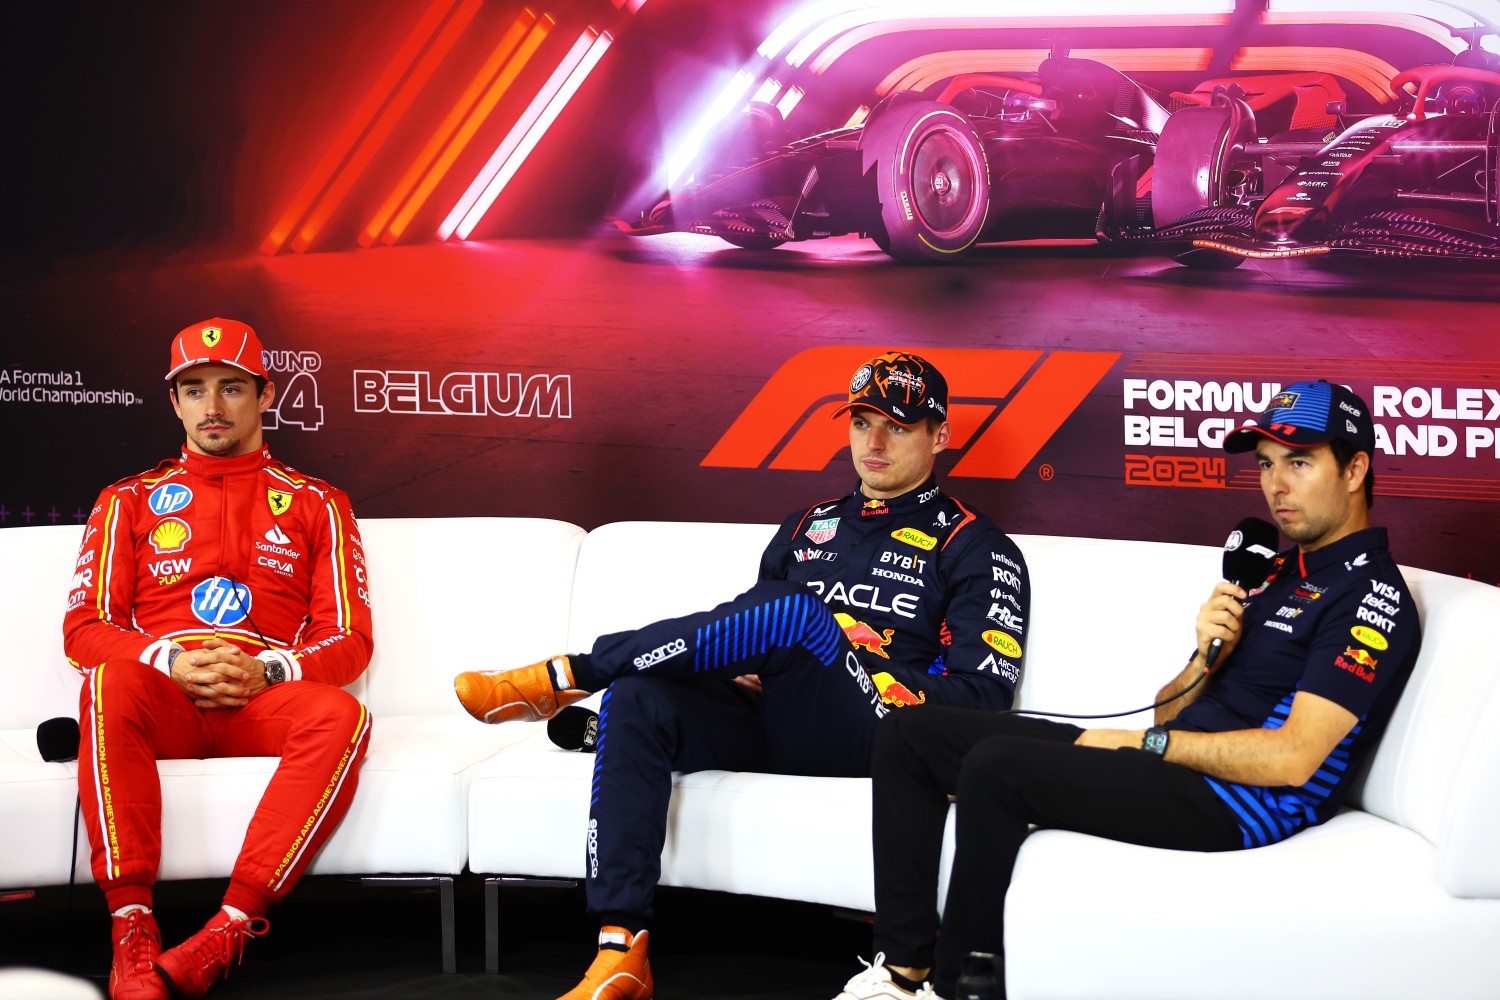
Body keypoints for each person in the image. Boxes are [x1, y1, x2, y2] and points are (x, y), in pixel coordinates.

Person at [455, 351, 1031, 1000]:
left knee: (798, 613)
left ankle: (570, 671)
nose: (873, 441)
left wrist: (860, 662)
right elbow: (755, 629)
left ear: (940, 435)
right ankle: (620, 948)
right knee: (639, 698)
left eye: (896, 426)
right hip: (777, 720)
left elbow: (983, 698)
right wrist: (745, 670)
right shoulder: (807, 526)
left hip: (878, 736)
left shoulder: (978, 546)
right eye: (862, 421)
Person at [831, 380, 1422, 1000]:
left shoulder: (1370, 597)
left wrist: (1148, 745)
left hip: (1238, 804)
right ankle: (904, 971)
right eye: (1268, 465)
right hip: (1174, 762)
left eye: (1299, 463)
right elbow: (1171, 705)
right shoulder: (1275, 575)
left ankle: (962, 989)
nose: (1276, 486)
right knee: (909, 733)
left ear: (1355, 469)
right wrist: (1205, 657)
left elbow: (1294, 758)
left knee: (997, 767)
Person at [64, 318, 374, 1000]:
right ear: (174, 402)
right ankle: (131, 929)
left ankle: (228, 930)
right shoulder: (126, 500)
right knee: (108, 684)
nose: (212, 407)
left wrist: (270, 670)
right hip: (165, 696)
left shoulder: (320, 504)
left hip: (262, 696)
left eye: (231, 388)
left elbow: (350, 639)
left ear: (265, 395)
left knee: (343, 715)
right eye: (194, 390)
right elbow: (85, 628)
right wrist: (168, 661)